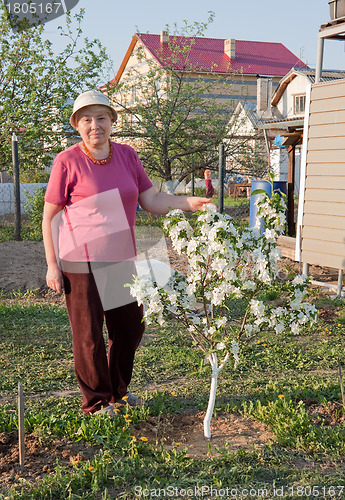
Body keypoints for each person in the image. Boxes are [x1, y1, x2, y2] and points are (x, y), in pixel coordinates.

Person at [42, 90, 211, 417]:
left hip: (121, 258)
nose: (95, 125)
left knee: (131, 327)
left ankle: (118, 391)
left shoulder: (127, 156)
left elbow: (150, 201)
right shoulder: (68, 161)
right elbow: (50, 216)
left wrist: (188, 202)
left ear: (113, 122)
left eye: (101, 117)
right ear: (77, 125)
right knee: (88, 334)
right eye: (87, 119)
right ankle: (96, 402)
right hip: (81, 261)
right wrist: (52, 265)